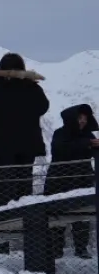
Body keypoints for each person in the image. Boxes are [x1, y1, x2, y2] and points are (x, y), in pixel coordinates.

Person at [0, 52, 49, 211]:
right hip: (27, 146)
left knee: (0, 186)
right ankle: (24, 218)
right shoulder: (31, 88)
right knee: (23, 184)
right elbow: (43, 106)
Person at [43, 104, 99, 264]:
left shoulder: (88, 135)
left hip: (82, 180)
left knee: (82, 217)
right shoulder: (60, 133)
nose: (82, 121)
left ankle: (81, 249)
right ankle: (56, 250)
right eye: (79, 118)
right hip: (60, 181)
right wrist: (88, 143)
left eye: (85, 118)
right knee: (57, 217)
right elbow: (60, 149)